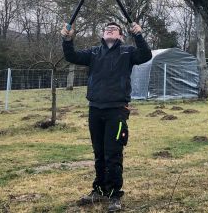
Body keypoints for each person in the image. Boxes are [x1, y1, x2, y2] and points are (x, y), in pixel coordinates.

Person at [61, 21, 152, 211]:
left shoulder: (127, 52)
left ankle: (114, 195)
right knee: (99, 153)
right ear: (102, 35)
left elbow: (146, 55)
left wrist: (138, 35)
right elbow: (71, 55)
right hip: (95, 109)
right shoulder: (93, 53)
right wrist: (67, 39)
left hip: (117, 110)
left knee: (113, 153)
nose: (110, 30)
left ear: (120, 36)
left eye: (115, 29)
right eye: (107, 29)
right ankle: (99, 189)